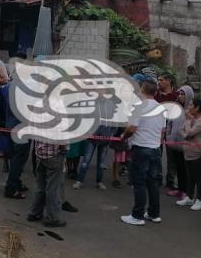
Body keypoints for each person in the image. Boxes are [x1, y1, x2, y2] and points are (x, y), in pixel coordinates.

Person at [120, 80, 166, 226]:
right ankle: (154, 213)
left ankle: (137, 215)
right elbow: (162, 131)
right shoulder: (161, 108)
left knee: (139, 183)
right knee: (152, 183)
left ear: (143, 90)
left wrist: (124, 137)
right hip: (154, 148)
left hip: (141, 148)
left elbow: (132, 128)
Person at [73, 97, 115, 190]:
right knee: (86, 161)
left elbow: (115, 121)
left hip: (105, 139)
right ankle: (80, 181)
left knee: (101, 163)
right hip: (91, 138)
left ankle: (99, 182)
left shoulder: (111, 104)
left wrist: (111, 134)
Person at [27, 139, 68, 228]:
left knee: (40, 186)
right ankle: (52, 217)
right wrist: (63, 149)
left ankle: (34, 212)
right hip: (53, 155)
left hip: (40, 153)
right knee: (53, 188)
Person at [177, 98, 201, 211]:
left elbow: (189, 133)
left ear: (197, 108)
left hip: (198, 154)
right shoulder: (191, 119)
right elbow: (180, 131)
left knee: (198, 178)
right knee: (190, 177)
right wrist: (187, 127)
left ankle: (200, 200)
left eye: (191, 105)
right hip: (187, 152)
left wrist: (187, 122)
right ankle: (189, 197)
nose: (188, 107)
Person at [166, 85, 193, 198]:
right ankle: (180, 189)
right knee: (177, 167)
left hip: (185, 145)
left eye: (183, 94)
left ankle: (186, 191)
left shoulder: (191, 110)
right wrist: (168, 136)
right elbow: (170, 123)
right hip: (173, 143)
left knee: (185, 169)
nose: (181, 96)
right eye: (179, 94)